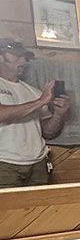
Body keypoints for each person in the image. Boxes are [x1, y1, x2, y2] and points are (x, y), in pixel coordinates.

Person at [0, 40, 70, 188]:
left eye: (25, 57)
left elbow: (48, 132)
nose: (23, 61)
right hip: (4, 164)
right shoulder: (40, 97)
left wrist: (59, 114)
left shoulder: (34, 92)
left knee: (41, 204)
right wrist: (41, 101)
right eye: (17, 55)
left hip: (38, 165)